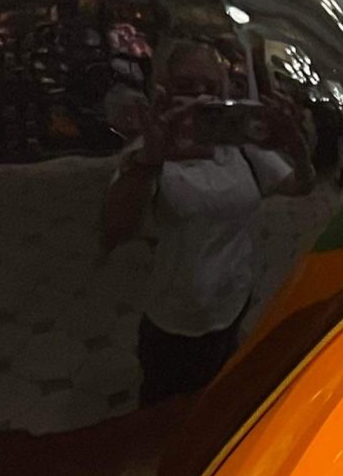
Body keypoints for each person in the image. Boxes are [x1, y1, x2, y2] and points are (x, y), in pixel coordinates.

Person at [99, 40, 315, 405]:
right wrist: (150, 160)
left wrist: (296, 146)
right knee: (165, 414)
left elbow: (299, 187)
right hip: (173, 319)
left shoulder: (239, 150)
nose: (199, 99)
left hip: (233, 301)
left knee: (219, 401)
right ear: (162, 90)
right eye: (186, 86)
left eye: (210, 89)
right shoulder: (146, 155)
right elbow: (114, 231)